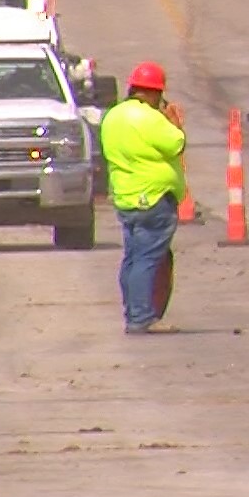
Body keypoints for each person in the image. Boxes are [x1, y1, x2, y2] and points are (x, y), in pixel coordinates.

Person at [98, 61, 187, 334]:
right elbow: (176, 143)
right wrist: (174, 123)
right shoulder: (149, 118)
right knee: (148, 259)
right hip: (154, 198)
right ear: (154, 93)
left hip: (126, 197)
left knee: (133, 258)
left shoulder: (112, 116)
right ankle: (142, 317)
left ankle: (133, 311)